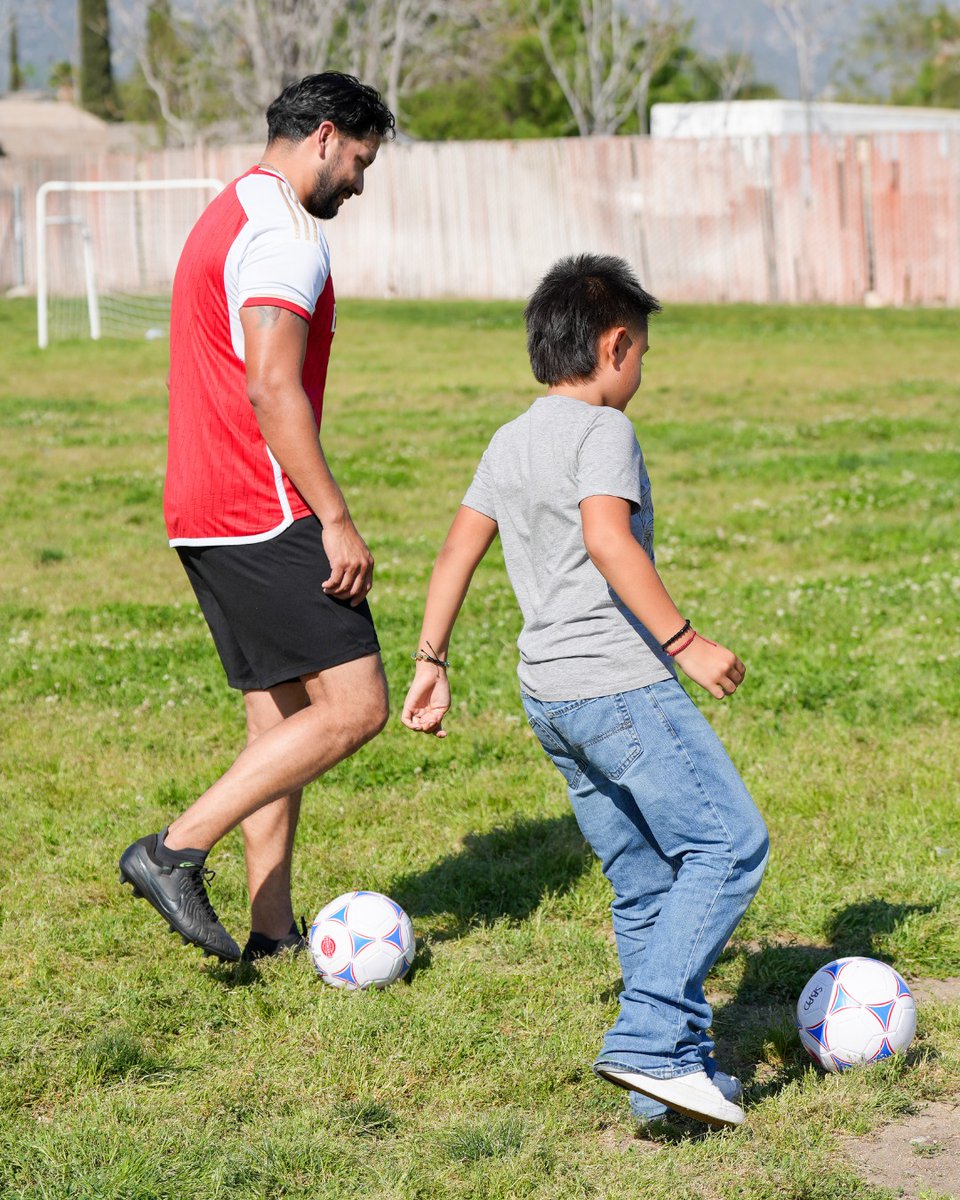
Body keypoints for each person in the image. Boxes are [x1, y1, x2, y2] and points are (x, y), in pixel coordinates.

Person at [401, 254, 769, 1129]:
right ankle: (648, 1037)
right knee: (727, 847)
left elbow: (458, 550)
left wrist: (432, 660)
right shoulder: (603, 432)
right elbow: (610, 540)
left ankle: (664, 1085)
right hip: (619, 685)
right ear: (613, 346)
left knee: (644, 881)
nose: (641, 370)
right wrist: (687, 642)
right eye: (641, 352)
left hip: (551, 697)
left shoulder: (510, 437)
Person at [120, 73, 396, 965]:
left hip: (201, 511)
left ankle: (272, 928)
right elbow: (271, 386)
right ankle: (173, 851)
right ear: (324, 136)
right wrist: (337, 517)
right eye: (358, 161)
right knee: (355, 707)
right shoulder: (284, 235)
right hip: (261, 507)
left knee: (279, 722)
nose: (357, 182)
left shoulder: (230, 208)